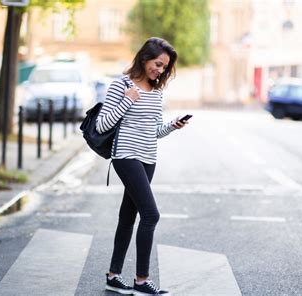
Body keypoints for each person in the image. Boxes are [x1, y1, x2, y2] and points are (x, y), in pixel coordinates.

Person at [96, 37, 188, 295]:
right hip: (126, 156)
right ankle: (141, 280)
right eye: (157, 64)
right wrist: (128, 100)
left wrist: (172, 125)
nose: (159, 70)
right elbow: (103, 125)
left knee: (128, 216)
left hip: (149, 158)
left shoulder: (157, 91)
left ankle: (113, 276)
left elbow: (154, 131)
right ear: (144, 58)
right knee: (151, 215)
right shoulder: (121, 85)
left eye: (164, 68)